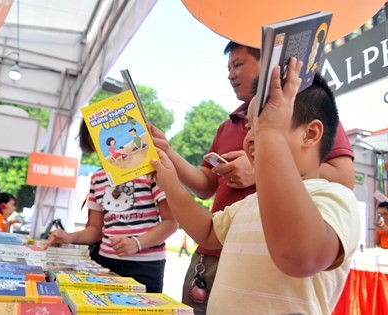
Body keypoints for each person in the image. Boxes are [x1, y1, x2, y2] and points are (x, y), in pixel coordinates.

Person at [148, 41, 355, 313]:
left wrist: (268, 142)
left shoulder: (333, 198)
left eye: (267, 122)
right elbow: (209, 231)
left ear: (311, 134)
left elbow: (300, 257)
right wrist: (172, 185)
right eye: (250, 126)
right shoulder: (250, 203)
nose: (251, 137)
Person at [43, 120, 178, 293]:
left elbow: (170, 222)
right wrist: (69, 237)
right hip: (105, 262)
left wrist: (137, 243)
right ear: (92, 141)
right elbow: (95, 229)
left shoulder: (151, 170)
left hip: (145, 265)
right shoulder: (98, 177)